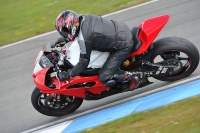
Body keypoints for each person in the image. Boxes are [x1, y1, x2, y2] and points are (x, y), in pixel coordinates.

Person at [54, 10, 144, 87]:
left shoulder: (85, 38)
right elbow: (76, 33)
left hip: (123, 44)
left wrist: (69, 74)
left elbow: (83, 63)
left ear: (72, 27)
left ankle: (133, 76)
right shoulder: (82, 18)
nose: (64, 34)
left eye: (64, 31)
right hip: (120, 29)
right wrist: (64, 39)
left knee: (104, 76)